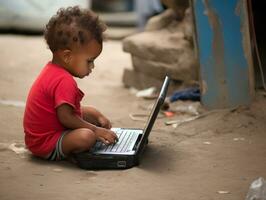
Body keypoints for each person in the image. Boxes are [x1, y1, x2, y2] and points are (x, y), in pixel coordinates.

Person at [23, 6, 118, 161]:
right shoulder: (64, 81)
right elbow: (66, 118)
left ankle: (91, 128)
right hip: (45, 143)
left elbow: (67, 112)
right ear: (67, 56)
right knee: (87, 136)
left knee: (92, 112)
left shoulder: (52, 70)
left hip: (42, 135)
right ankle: (72, 151)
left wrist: (96, 117)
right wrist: (95, 130)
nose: (92, 67)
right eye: (90, 61)